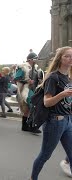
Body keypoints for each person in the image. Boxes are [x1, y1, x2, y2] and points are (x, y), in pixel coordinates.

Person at [30, 46, 72, 180]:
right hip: (55, 121)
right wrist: (62, 94)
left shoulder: (69, 78)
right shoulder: (53, 77)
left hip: (68, 121)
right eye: (68, 56)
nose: (71, 58)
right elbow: (47, 102)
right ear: (60, 58)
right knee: (45, 155)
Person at [14, 51, 42, 133]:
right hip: (26, 90)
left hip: (34, 90)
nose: (37, 60)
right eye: (35, 59)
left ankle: (26, 126)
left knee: (29, 109)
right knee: (31, 107)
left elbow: (37, 79)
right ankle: (31, 126)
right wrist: (27, 81)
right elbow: (16, 79)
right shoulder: (23, 67)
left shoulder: (36, 69)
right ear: (30, 59)